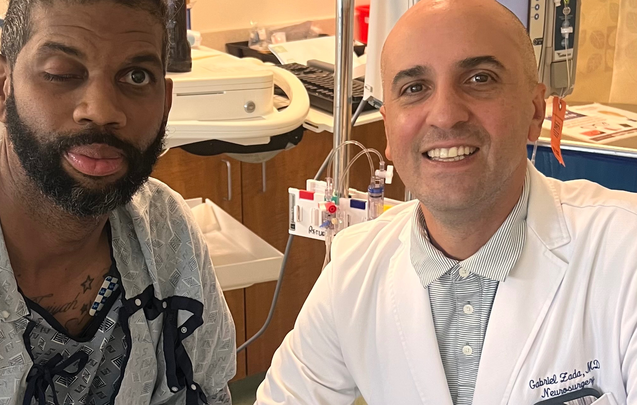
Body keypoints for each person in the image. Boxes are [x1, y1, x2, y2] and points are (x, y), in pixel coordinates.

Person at [255, 0, 637, 404]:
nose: (445, 115)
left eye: (479, 78)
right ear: (388, 130)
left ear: (534, 111)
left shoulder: (624, 252)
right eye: (414, 88)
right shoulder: (352, 273)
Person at [0, 0, 236, 404]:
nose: (102, 111)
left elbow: (207, 391)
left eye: (136, 76)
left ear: (166, 102)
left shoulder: (167, 231)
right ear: (1, 87)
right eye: (61, 73)